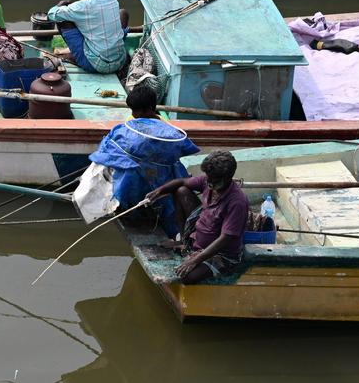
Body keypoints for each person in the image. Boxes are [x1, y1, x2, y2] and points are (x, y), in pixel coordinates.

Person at [86, 85, 199, 236]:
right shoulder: (172, 133)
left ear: (148, 108)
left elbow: (106, 151)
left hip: (136, 183)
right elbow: (187, 148)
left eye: (135, 111)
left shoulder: (124, 130)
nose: (133, 114)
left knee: (123, 171)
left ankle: (129, 210)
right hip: (163, 178)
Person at [145, 150, 247, 284]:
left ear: (227, 178)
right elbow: (181, 182)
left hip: (220, 253)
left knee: (187, 277)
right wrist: (158, 192)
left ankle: (194, 253)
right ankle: (184, 242)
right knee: (181, 191)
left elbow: (226, 238)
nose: (209, 182)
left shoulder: (237, 202)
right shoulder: (208, 180)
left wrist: (194, 260)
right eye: (208, 177)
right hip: (202, 229)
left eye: (214, 180)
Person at [46, 0, 128, 74]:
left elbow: (51, 15)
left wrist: (60, 4)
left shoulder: (82, 6)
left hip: (98, 66)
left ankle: (78, 56)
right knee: (123, 13)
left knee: (62, 20)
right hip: (120, 60)